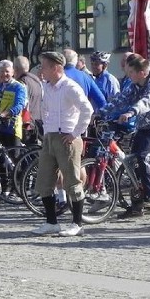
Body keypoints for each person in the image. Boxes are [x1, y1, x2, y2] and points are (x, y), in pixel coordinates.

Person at [98, 54, 150, 216]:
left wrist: (132, 112)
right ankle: (137, 206)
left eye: (131, 72)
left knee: (143, 156)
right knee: (131, 162)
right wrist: (100, 113)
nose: (128, 75)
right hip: (142, 126)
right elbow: (121, 99)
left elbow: (148, 100)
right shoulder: (133, 84)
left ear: (142, 73)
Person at [31, 51, 93, 237]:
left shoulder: (70, 87)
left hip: (67, 138)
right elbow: (45, 109)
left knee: (72, 181)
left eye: (44, 66)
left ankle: (77, 223)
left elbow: (87, 110)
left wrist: (75, 133)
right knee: (44, 180)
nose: (41, 70)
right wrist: (45, 129)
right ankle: (51, 222)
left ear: (56, 68)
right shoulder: (48, 87)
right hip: (50, 136)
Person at [0, 60, 28, 199]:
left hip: (13, 127)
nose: (4, 74)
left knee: (15, 159)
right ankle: (5, 189)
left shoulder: (19, 87)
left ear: (13, 72)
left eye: (7, 71)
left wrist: (6, 114)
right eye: (2, 72)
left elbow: (20, 104)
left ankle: (17, 189)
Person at [13, 56, 42, 130]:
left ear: (15, 68)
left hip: (25, 125)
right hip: (37, 122)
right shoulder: (37, 81)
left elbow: (22, 104)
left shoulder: (20, 83)